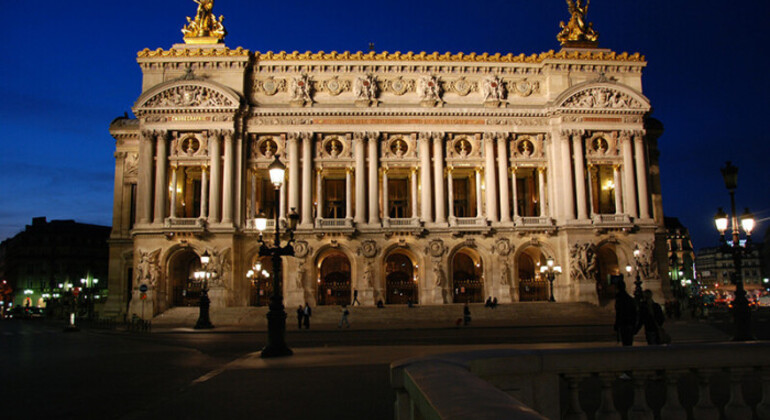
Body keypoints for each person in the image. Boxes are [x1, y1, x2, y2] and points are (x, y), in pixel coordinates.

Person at [614, 280, 636, 346]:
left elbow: (619, 312)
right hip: (630, 322)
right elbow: (634, 312)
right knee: (629, 342)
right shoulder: (629, 299)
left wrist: (617, 323)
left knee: (625, 341)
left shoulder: (619, 299)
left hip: (623, 323)